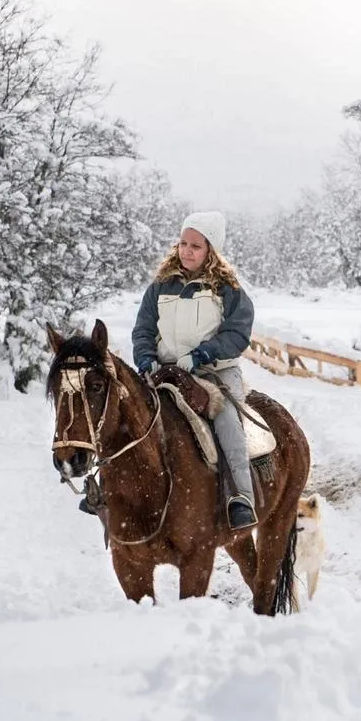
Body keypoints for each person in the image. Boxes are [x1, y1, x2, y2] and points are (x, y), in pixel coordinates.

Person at [89, 210, 259, 529]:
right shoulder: (161, 286)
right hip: (166, 370)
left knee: (227, 424)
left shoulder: (227, 289)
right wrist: (145, 358)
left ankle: (240, 497)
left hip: (215, 373)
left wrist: (202, 354)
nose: (187, 251)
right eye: (183, 243)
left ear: (211, 251)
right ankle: (106, 489)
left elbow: (238, 333)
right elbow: (143, 329)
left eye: (196, 245)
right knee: (124, 412)